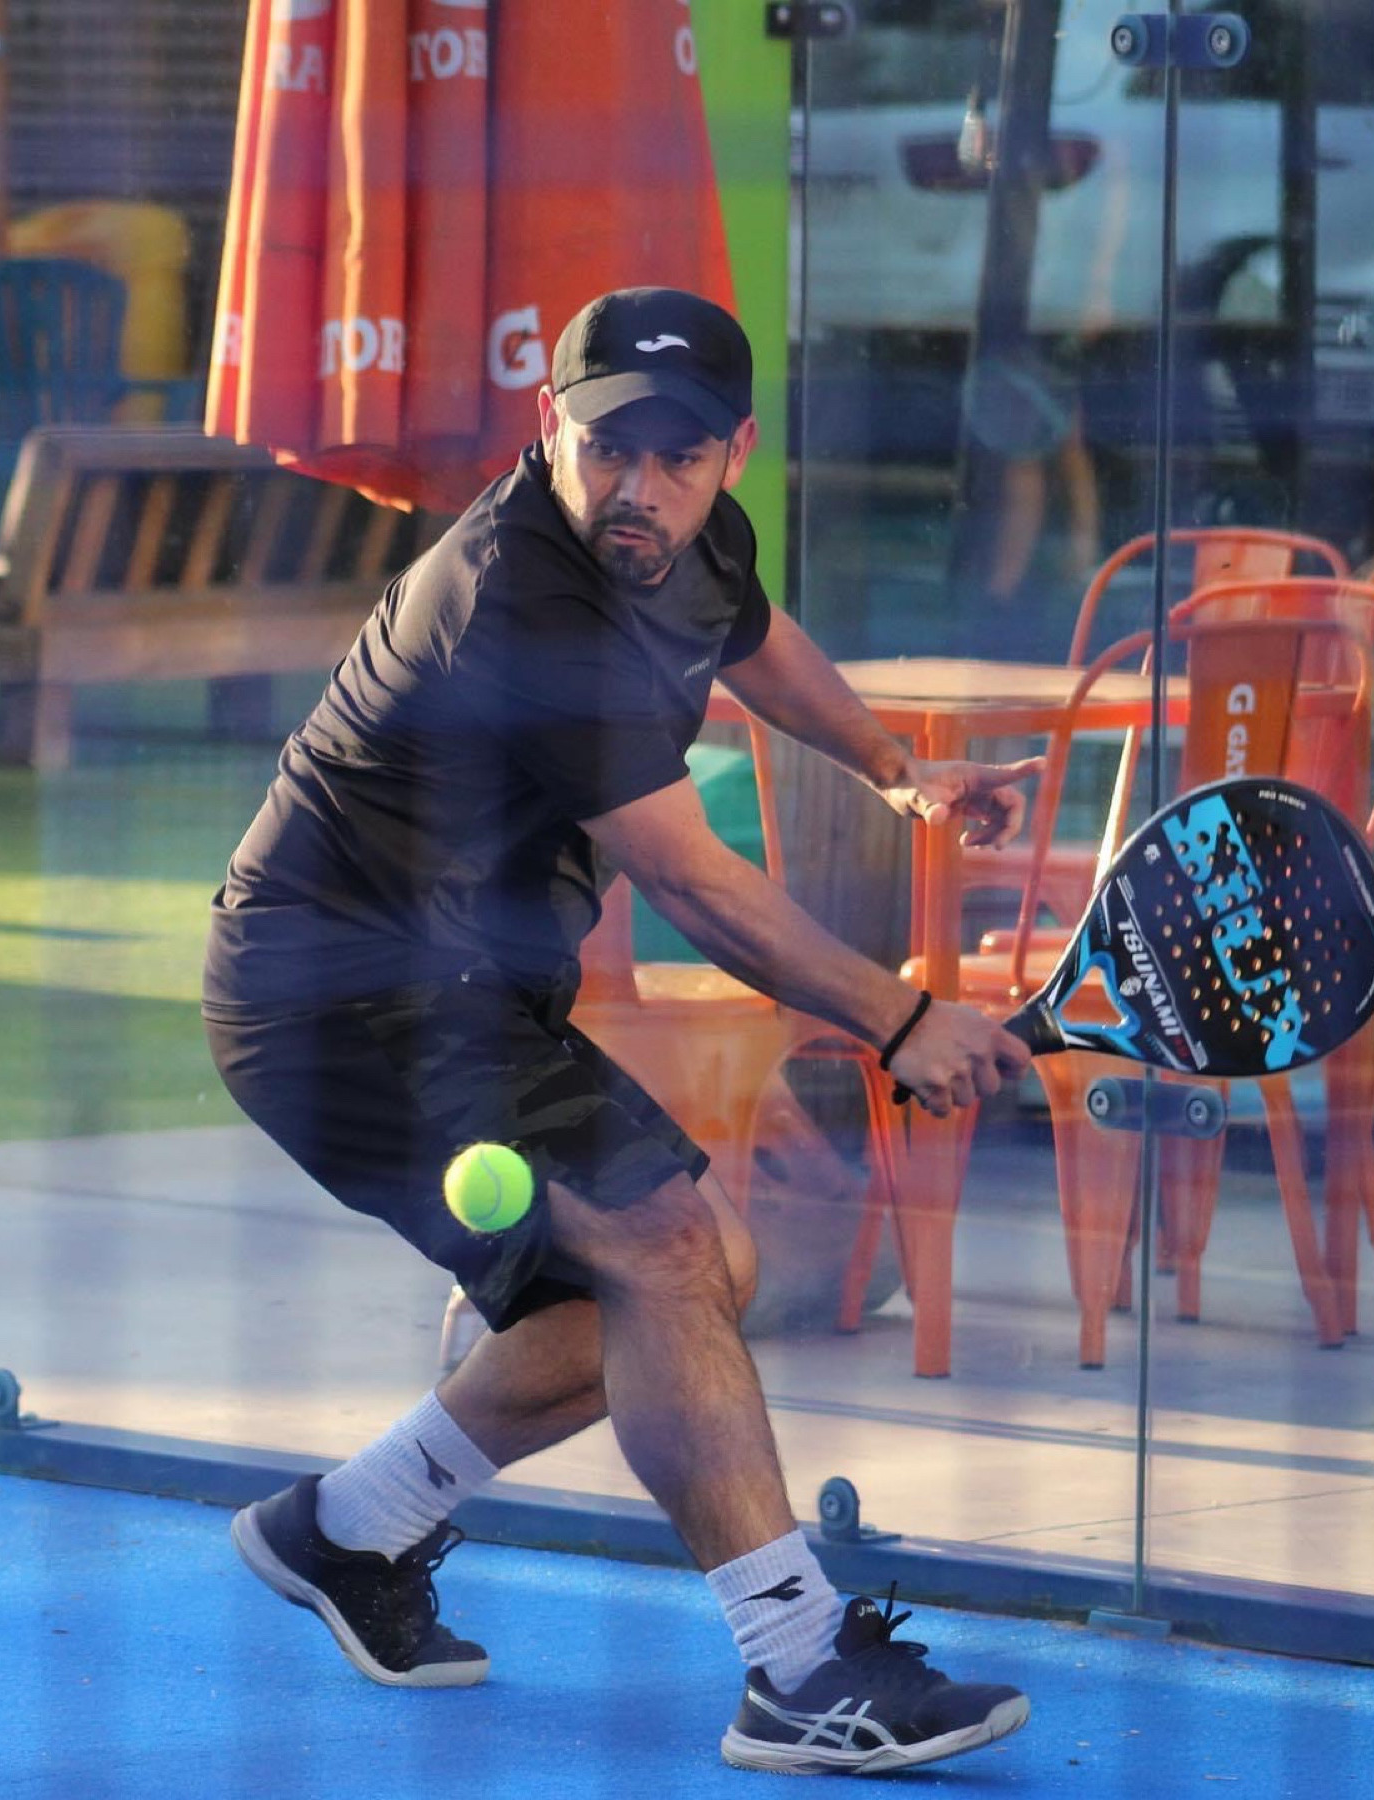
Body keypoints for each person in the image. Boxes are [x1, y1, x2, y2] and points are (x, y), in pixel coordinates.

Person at [202, 287, 1043, 1776]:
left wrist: (892, 766)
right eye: (607, 450)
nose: (638, 488)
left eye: (679, 458)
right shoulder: (519, 597)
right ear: (552, 428)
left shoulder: (694, 539)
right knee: (661, 1252)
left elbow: (756, 637)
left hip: (470, 990)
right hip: (333, 995)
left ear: (734, 455)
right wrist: (903, 1015)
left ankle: (347, 1529)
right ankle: (798, 1664)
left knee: (697, 1272)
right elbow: (693, 882)